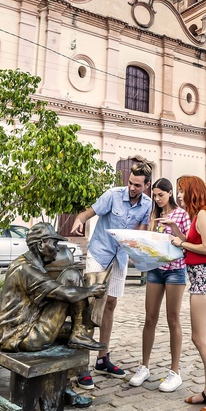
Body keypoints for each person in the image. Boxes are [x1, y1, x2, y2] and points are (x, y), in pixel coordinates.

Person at [69, 160, 153, 388]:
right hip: (100, 252)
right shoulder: (113, 195)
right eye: (130, 183)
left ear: (146, 185)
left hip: (120, 257)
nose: (132, 188)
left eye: (137, 185)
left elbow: (141, 233)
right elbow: (89, 212)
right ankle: (82, 365)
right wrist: (79, 219)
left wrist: (142, 253)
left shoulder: (147, 204)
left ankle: (102, 358)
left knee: (110, 304)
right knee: (90, 303)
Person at [165, 175, 206, 411]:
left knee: (200, 339)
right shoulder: (197, 216)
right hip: (200, 278)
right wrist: (176, 231)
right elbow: (193, 240)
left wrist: (180, 243)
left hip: (204, 278)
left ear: (193, 190)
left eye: (181, 190)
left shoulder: (202, 214)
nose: (178, 195)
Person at [0, 221, 107, 353]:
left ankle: (78, 333)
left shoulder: (26, 263)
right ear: (40, 245)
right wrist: (90, 291)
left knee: (69, 326)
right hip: (22, 337)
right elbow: (63, 293)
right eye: (54, 243)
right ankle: (79, 334)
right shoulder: (25, 269)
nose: (58, 248)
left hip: (21, 329)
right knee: (71, 276)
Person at [128, 178, 190, 393]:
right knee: (149, 318)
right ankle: (144, 366)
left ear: (170, 193)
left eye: (160, 195)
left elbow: (187, 243)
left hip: (175, 270)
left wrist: (174, 229)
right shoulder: (153, 214)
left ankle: (175, 372)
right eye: (154, 195)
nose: (157, 199)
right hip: (155, 270)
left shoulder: (181, 214)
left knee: (173, 319)